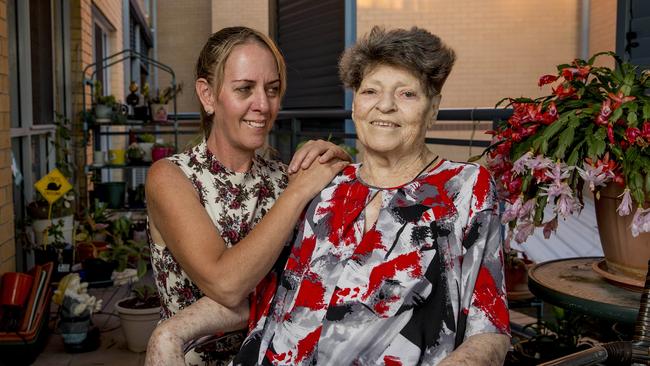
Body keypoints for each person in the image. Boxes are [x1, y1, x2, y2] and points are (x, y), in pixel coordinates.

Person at [147, 26, 510, 366]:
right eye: (370, 91)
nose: (384, 106)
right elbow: (260, 291)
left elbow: (489, 329)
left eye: (407, 93)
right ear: (354, 107)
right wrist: (170, 331)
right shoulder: (321, 188)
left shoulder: (464, 189)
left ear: (433, 108)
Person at [145, 26, 350, 365]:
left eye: (272, 89)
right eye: (244, 89)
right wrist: (298, 191)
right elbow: (226, 284)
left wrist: (337, 161)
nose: (263, 105)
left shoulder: (284, 177)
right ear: (208, 95)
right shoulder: (171, 177)